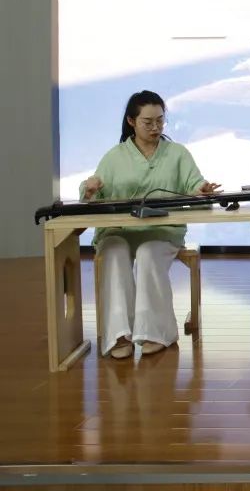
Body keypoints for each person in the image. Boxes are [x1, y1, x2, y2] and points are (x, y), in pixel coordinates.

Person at [80, 91, 220, 360]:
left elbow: (194, 186)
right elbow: (92, 195)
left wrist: (201, 190)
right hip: (118, 231)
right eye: (148, 122)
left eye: (160, 121)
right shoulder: (114, 156)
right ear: (131, 121)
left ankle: (156, 333)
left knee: (147, 254)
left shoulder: (178, 153)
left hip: (162, 232)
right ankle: (119, 334)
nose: (155, 127)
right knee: (113, 252)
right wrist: (89, 189)